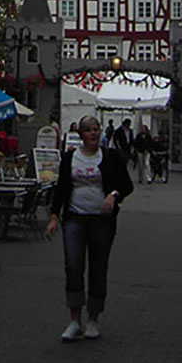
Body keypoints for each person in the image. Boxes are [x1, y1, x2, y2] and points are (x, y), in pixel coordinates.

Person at [45, 115, 134, 342]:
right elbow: (62, 188)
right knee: (73, 266)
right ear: (81, 134)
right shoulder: (70, 158)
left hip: (101, 221)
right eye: (88, 130)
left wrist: (113, 195)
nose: (93, 134)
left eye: (96, 129)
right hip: (75, 217)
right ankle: (75, 320)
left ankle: (93, 319)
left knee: (98, 267)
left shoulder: (110, 157)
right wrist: (54, 217)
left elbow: (126, 185)